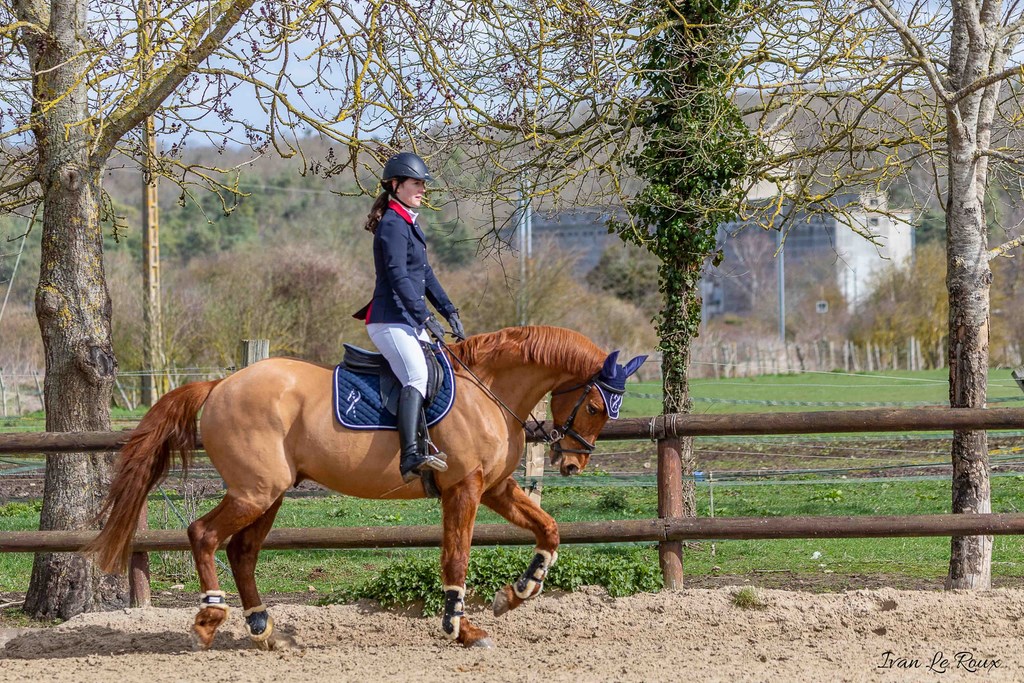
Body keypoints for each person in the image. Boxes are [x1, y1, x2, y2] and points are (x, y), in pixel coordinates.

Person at [354, 152, 467, 482]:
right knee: (417, 376)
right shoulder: (391, 223)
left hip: (407, 319)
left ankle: (428, 441)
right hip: (390, 320)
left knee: (437, 372)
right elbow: (398, 276)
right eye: (416, 183)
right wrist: (425, 317)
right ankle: (410, 456)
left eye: (422, 184)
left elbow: (425, 274)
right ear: (395, 185)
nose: (422, 189)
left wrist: (449, 311)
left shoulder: (407, 222)